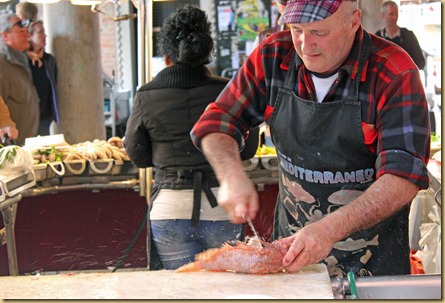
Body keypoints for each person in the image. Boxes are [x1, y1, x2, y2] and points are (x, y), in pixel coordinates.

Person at [191, 0, 430, 278]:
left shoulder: (393, 70)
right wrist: (230, 174)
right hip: (292, 261)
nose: (305, 45)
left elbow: (403, 177)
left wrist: (329, 230)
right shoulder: (273, 55)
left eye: (319, 32)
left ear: (353, 22)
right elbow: (217, 122)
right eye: (297, 29)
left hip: (374, 266)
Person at [124, 5, 258, 270]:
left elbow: (136, 153)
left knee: (180, 293)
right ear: (206, 55)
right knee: (225, 293)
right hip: (224, 206)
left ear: (166, 57)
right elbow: (248, 147)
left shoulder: (147, 95)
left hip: (170, 206)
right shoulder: (226, 92)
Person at [0, 13, 40, 145]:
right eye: (21, 31)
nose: (27, 35)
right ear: (5, 36)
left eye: (27, 30)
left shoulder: (23, 60)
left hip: (23, 145)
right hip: (9, 149)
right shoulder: (2, 64)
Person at [27, 20, 59, 136]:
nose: (44, 35)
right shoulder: (23, 60)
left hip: (45, 115)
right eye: (40, 32)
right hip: (29, 115)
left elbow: (53, 86)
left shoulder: (49, 60)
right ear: (30, 37)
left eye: (44, 32)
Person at [375, 0, 425, 70]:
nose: (395, 17)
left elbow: (421, 62)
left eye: (396, 14)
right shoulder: (378, 37)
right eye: (391, 14)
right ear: (383, 16)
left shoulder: (408, 35)